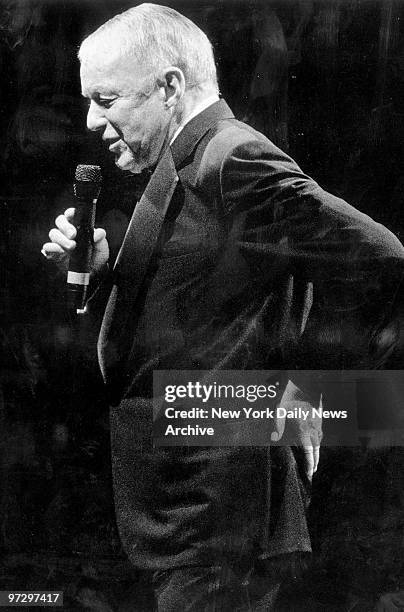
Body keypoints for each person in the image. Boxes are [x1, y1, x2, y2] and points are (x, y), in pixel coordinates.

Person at [41, 4, 404, 610]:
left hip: (216, 515)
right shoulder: (189, 158)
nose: (90, 120)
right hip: (183, 510)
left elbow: (382, 253)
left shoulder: (231, 156)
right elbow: (199, 312)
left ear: (171, 87)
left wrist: (303, 396)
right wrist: (107, 274)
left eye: (105, 99)